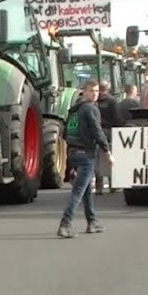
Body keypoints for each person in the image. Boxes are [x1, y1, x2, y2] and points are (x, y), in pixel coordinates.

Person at [58, 80, 112, 239]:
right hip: (86, 154)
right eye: (91, 91)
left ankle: (92, 221)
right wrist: (107, 151)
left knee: (87, 188)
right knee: (78, 191)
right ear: (84, 92)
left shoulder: (74, 110)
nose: (95, 94)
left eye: (96, 91)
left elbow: (66, 131)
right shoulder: (90, 109)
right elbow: (97, 131)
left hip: (73, 152)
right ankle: (65, 224)